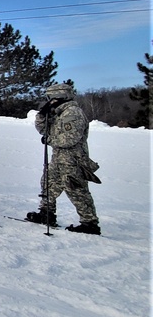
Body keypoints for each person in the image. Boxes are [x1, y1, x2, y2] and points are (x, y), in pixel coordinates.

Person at [28, 83, 102, 234]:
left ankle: (89, 223)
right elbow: (43, 130)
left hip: (72, 159)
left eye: (51, 98)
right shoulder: (58, 113)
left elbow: (69, 139)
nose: (49, 101)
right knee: (48, 183)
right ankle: (46, 213)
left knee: (75, 188)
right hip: (58, 158)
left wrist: (50, 140)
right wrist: (42, 115)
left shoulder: (73, 113)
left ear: (58, 97)